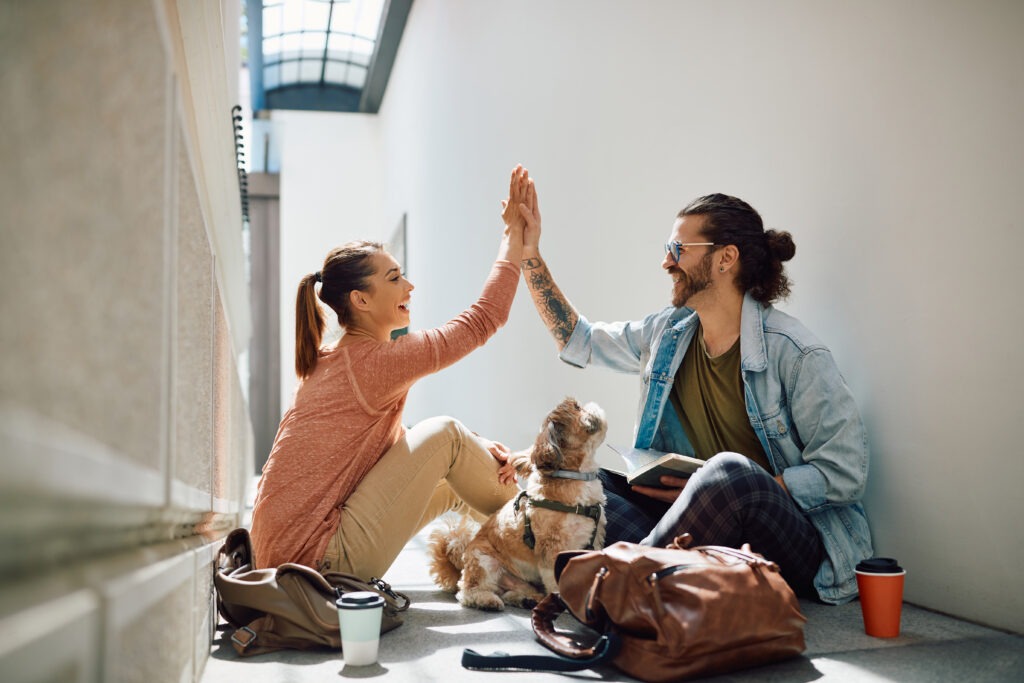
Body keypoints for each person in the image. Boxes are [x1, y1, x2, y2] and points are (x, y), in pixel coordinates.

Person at [516, 182, 872, 604]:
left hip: (790, 546)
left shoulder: (796, 354)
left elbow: (846, 471)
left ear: (726, 258)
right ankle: (652, 577)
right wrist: (528, 255)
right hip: (697, 531)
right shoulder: (669, 333)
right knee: (577, 482)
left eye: (678, 248)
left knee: (730, 474)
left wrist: (711, 491)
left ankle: (622, 586)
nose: (667, 261)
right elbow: (580, 340)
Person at [250, 166, 532, 580]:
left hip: (287, 558)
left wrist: (477, 446)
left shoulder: (334, 359)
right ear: (361, 299)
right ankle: (544, 538)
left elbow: (381, 452)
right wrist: (514, 239)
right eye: (395, 278)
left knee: (453, 473)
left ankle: (522, 553)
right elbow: (482, 320)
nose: (410, 287)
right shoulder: (377, 362)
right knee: (447, 434)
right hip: (317, 563)